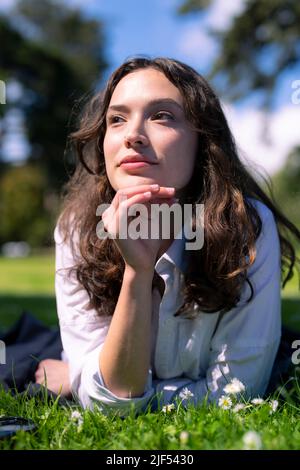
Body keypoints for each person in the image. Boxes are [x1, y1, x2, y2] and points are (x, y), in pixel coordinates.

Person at [34, 56, 300, 415]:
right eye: (117, 119)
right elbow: (110, 404)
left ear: (203, 142)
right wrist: (138, 273)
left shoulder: (248, 228)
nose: (132, 135)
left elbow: (236, 394)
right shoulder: (77, 229)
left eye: (162, 116)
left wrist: (89, 382)